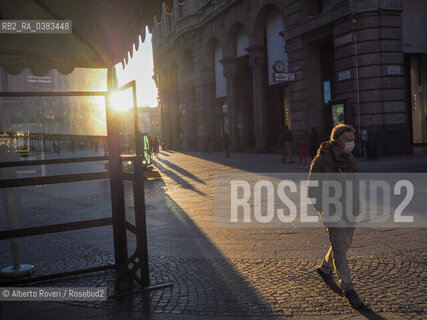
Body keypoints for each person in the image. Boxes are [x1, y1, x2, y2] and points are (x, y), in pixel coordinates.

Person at [308, 123, 364, 309]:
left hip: (349, 208)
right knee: (340, 247)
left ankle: (325, 268)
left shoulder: (349, 158)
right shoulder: (322, 161)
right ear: (338, 140)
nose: (352, 143)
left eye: (353, 140)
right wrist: (323, 208)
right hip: (332, 210)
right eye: (348, 140)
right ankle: (348, 289)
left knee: (345, 243)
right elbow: (313, 188)